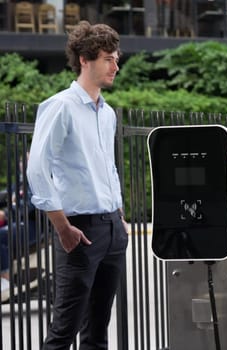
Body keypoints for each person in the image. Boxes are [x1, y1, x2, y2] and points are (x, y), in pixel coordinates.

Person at [26, 21, 128, 350]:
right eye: (108, 59)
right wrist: (62, 227)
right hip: (79, 231)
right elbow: (37, 169)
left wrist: (120, 217)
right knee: (63, 331)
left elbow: (107, 168)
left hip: (111, 228)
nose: (116, 65)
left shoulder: (107, 113)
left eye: (116, 58)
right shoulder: (60, 107)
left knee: (97, 331)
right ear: (85, 59)